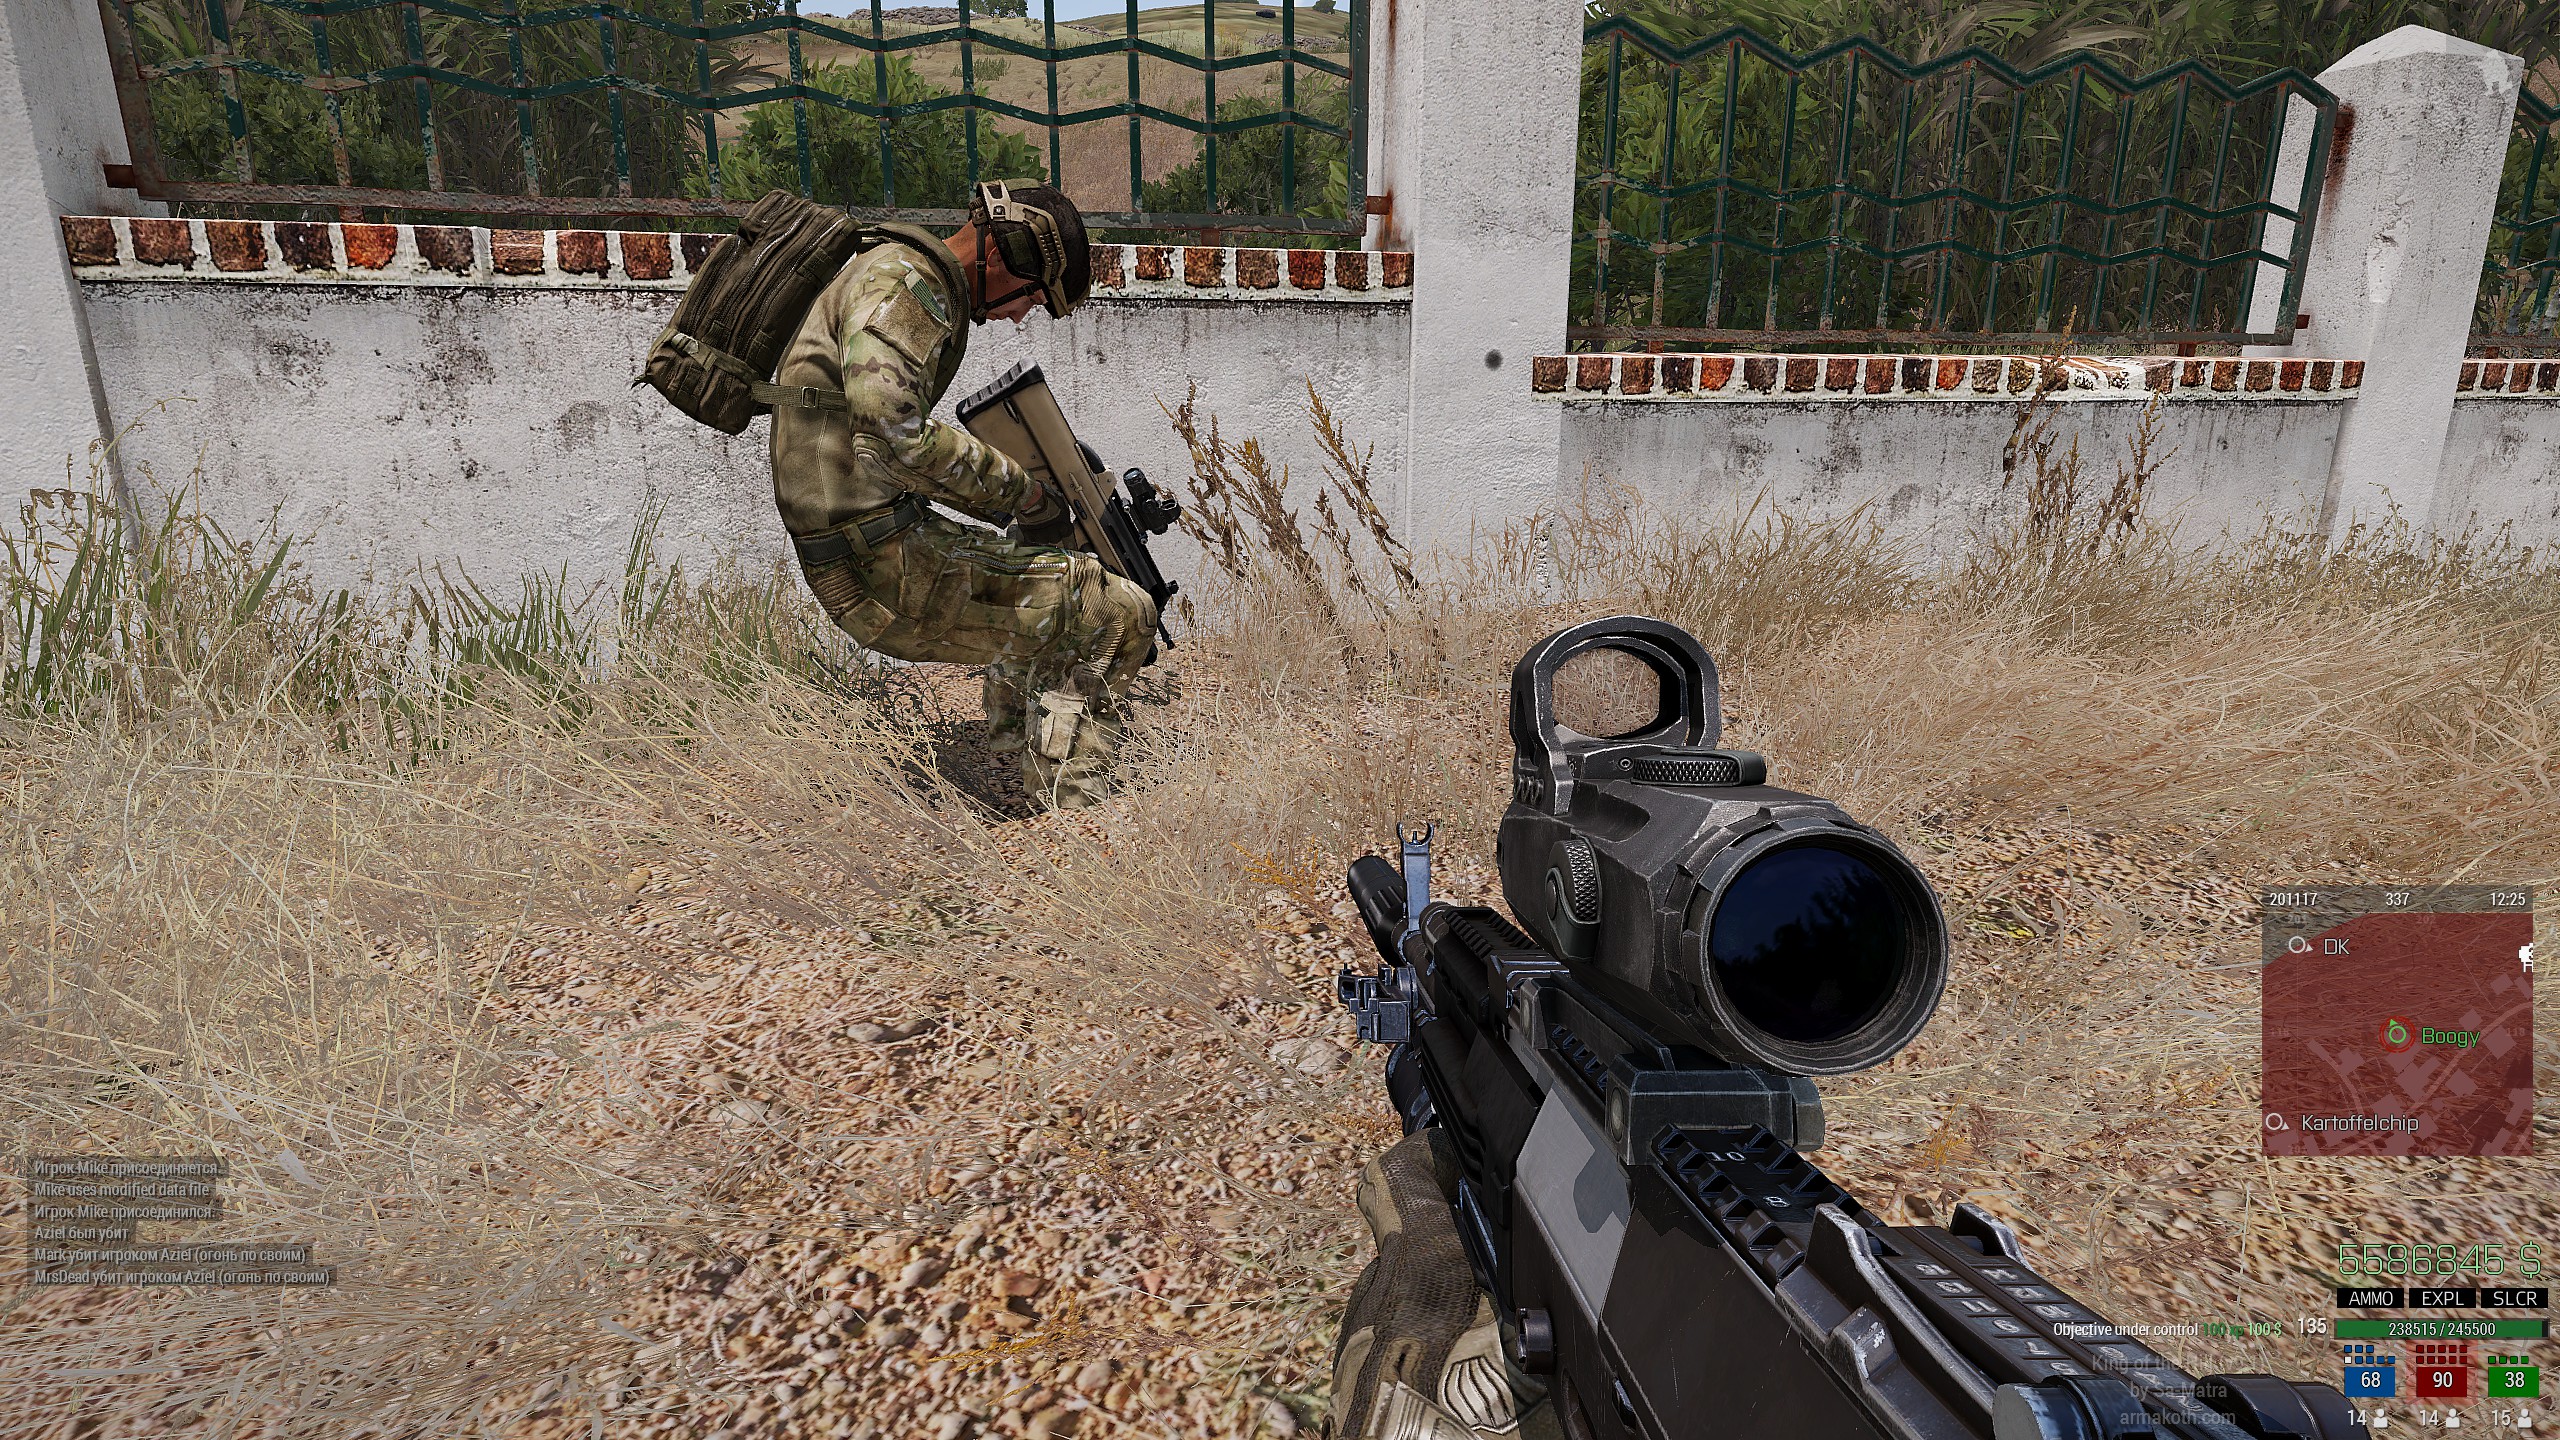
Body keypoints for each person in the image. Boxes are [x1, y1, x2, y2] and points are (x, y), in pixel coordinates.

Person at [768, 180, 1157, 809]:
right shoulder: (907, 284)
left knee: (1044, 577)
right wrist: (1025, 496)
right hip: (879, 563)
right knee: (1117, 611)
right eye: (1032, 295)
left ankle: (1006, 766)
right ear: (1003, 252)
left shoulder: (904, 275)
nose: (1021, 315)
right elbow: (891, 432)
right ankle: (1073, 814)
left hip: (870, 546)